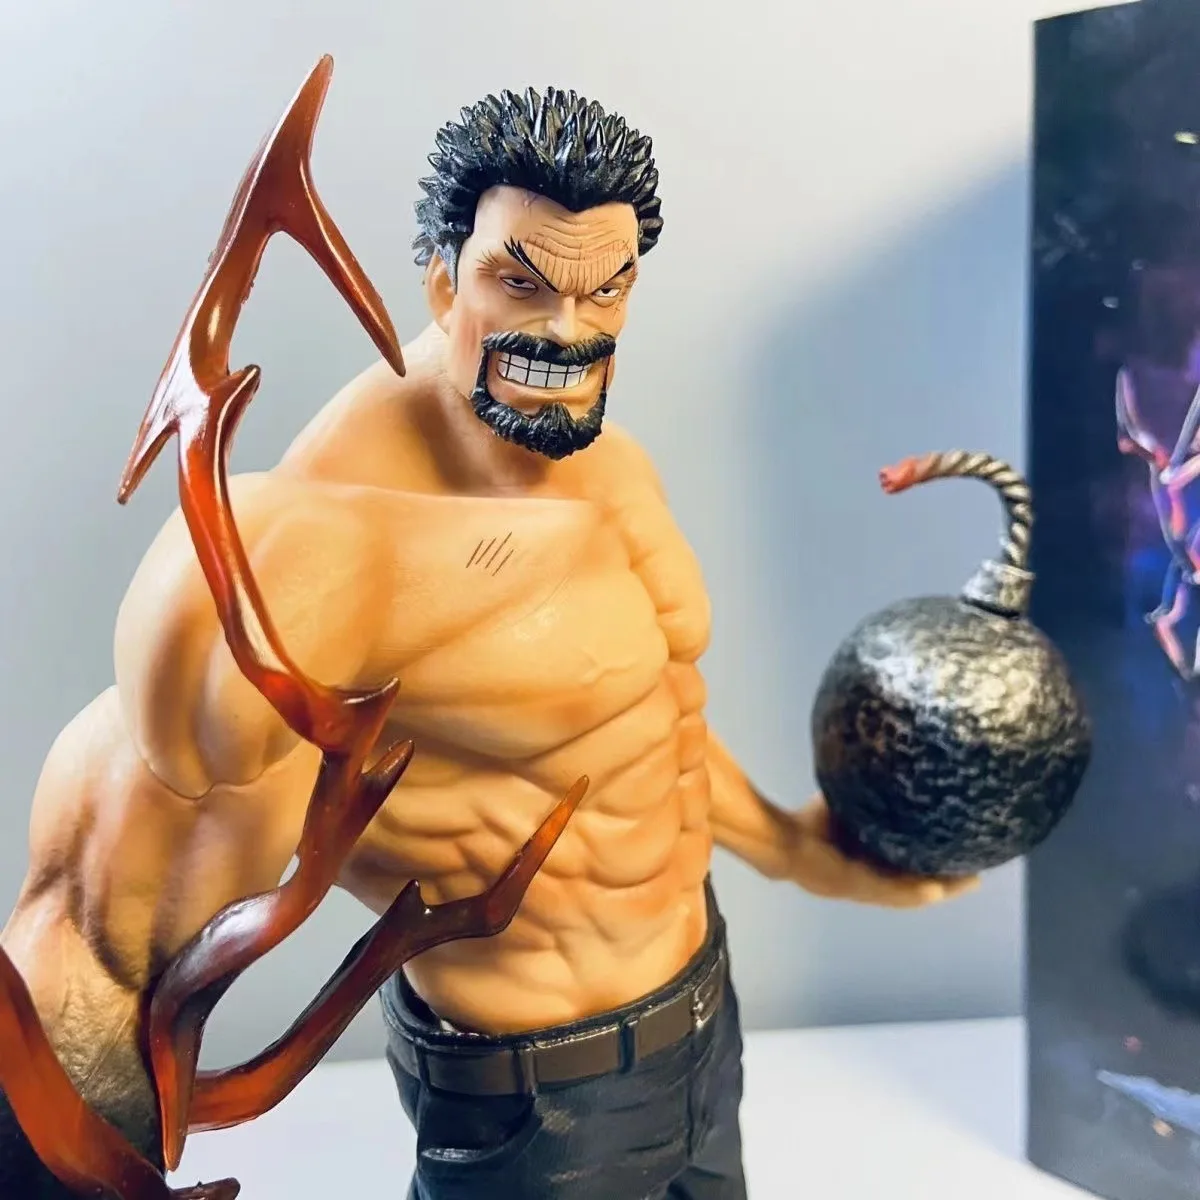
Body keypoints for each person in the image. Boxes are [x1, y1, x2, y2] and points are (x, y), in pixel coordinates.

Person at [0, 85, 976, 1200]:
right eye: (521, 283)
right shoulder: (309, 567)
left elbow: (644, 736)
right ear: (440, 277)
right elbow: (100, 930)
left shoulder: (613, 468)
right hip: (532, 1109)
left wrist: (797, 850)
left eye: (605, 289)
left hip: (706, 1026)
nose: (569, 330)